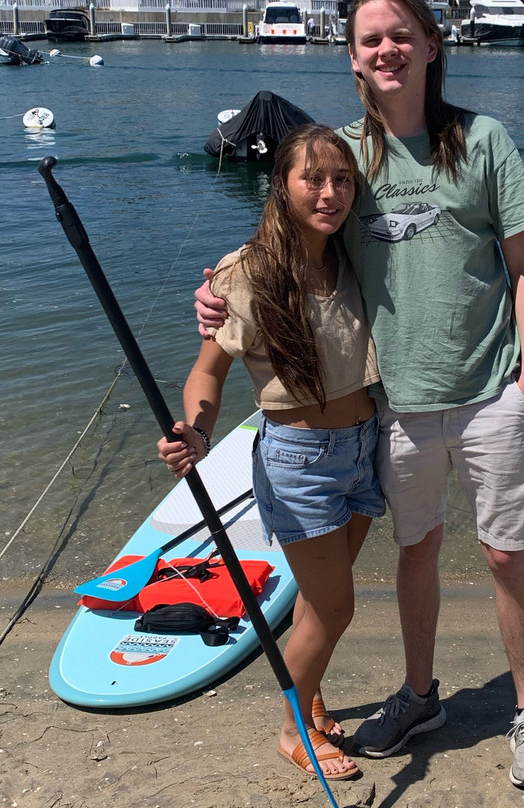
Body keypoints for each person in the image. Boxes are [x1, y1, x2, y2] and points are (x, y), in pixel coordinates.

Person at [195, 0, 524, 790]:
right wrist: (220, 294)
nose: (388, 48)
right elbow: (291, 237)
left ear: (432, 43)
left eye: (402, 33)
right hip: (392, 405)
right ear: (352, 57)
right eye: (371, 39)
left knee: (505, 553)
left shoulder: (483, 139)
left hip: (491, 389)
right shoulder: (348, 157)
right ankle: (420, 695)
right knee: (415, 549)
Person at [158, 123, 384, 782]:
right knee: (336, 605)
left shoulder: (355, 256)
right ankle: (291, 728)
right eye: (312, 178)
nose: (330, 192)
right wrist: (196, 432)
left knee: (320, 603)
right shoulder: (247, 272)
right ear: (281, 186)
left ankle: (308, 695)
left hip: (365, 447)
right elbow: (208, 374)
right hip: (300, 462)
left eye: (342, 179)